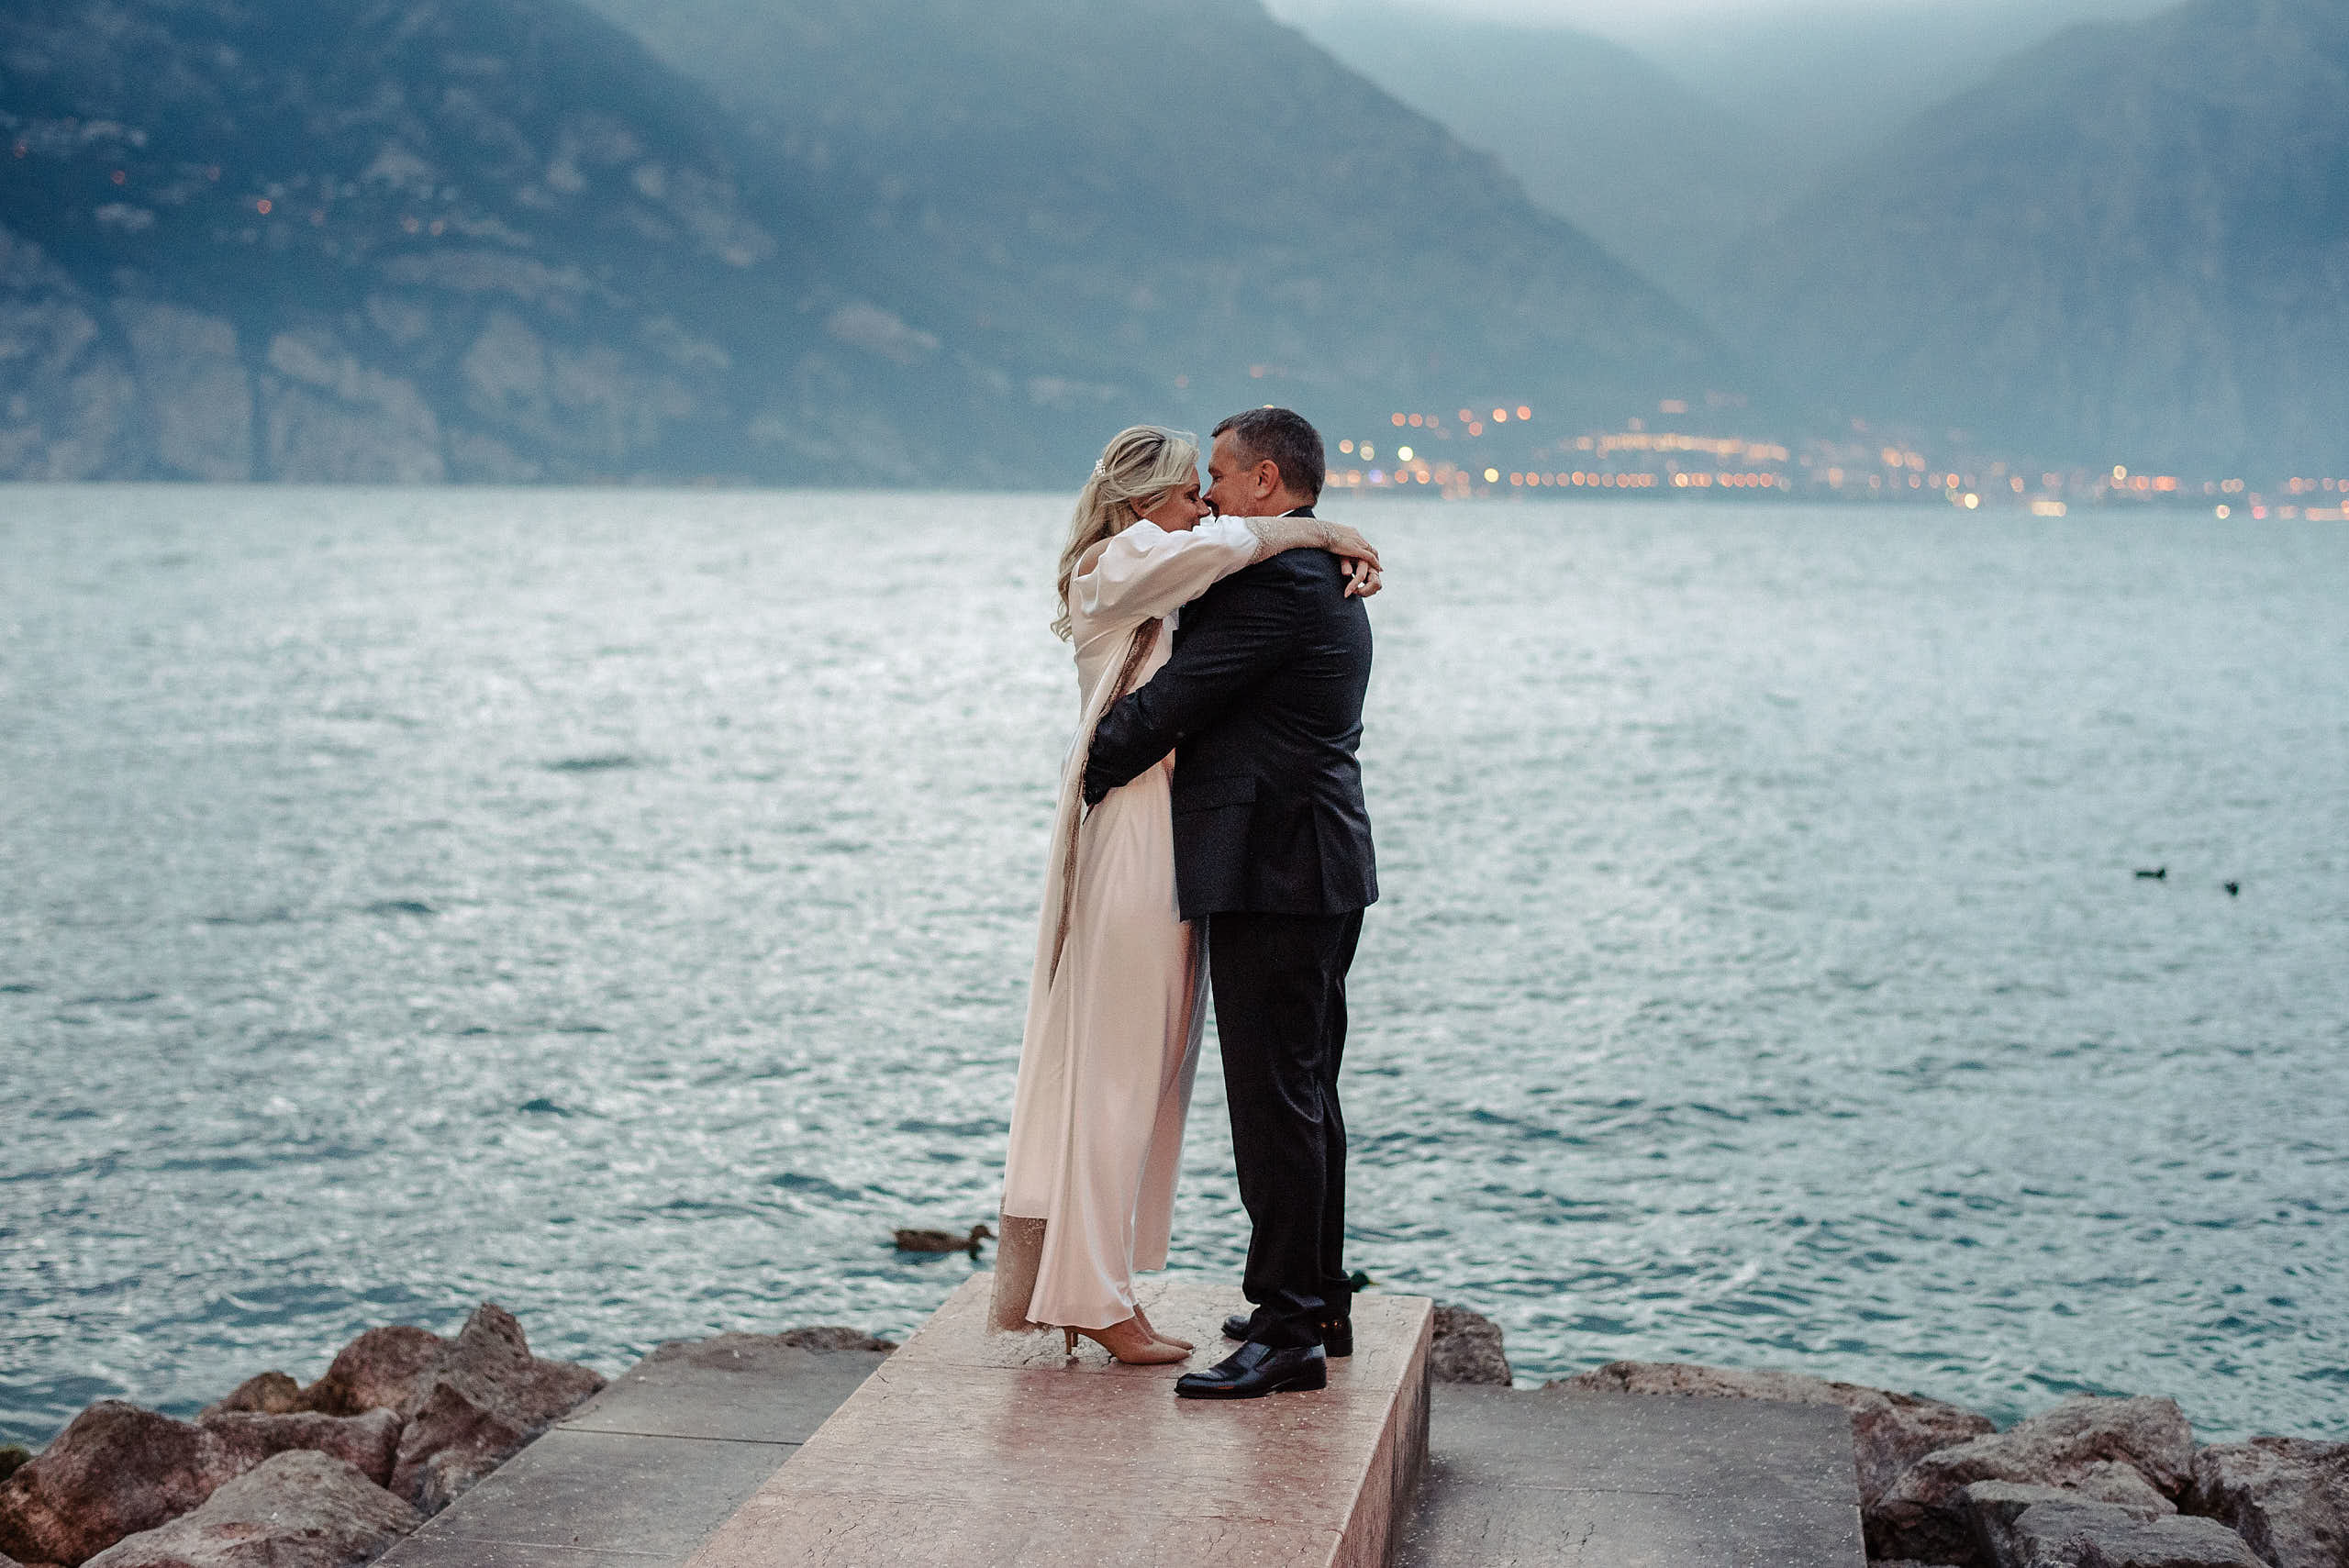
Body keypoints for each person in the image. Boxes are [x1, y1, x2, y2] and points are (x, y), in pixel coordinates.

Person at [991, 424, 1381, 1366]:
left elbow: (1202, 634)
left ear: (1264, 475)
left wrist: (1327, 536)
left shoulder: (1208, 565)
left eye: (1215, 479)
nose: (1205, 499)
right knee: (1142, 1070)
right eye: (1190, 486)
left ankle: (1298, 1309)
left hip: (1244, 854)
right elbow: (1167, 686)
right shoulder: (1133, 557)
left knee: (1244, 1083)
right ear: (1141, 502)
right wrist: (1333, 534)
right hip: (1154, 838)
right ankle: (1138, 1293)